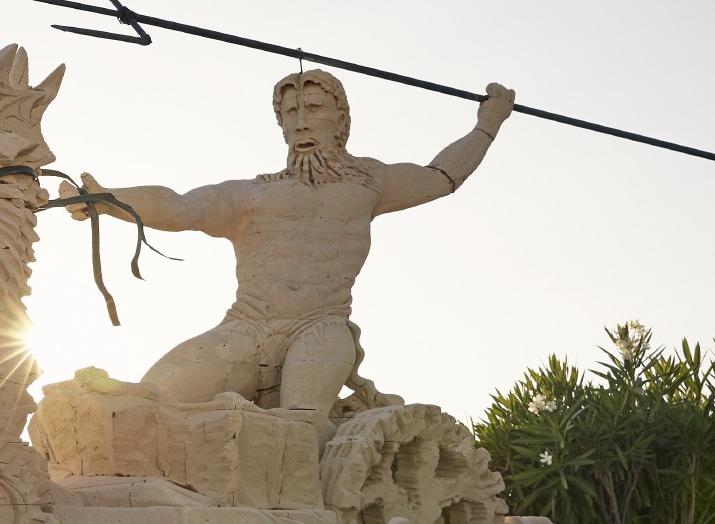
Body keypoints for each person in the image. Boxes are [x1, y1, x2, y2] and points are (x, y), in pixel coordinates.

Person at [66, 69, 515, 446]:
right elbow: (180, 206)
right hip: (247, 327)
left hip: (321, 327)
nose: (301, 124)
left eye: (314, 109)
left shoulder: (369, 183)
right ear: (280, 125)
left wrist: (488, 124)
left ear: (341, 119)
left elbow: (442, 176)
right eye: (290, 113)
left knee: (298, 431)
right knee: (149, 402)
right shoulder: (252, 194)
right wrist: (107, 199)